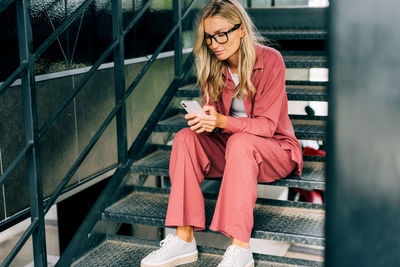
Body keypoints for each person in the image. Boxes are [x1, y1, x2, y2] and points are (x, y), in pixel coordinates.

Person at [141, 0, 303, 266]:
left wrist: (221, 122)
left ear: (241, 29)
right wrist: (205, 120)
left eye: (221, 34)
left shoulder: (271, 60)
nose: (214, 43)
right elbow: (216, 121)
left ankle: (240, 248)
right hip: (233, 150)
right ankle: (183, 239)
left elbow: (266, 126)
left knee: (240, 142)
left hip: (275, 150)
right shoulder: (213, 66)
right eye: (208, 38)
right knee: (184, 138)